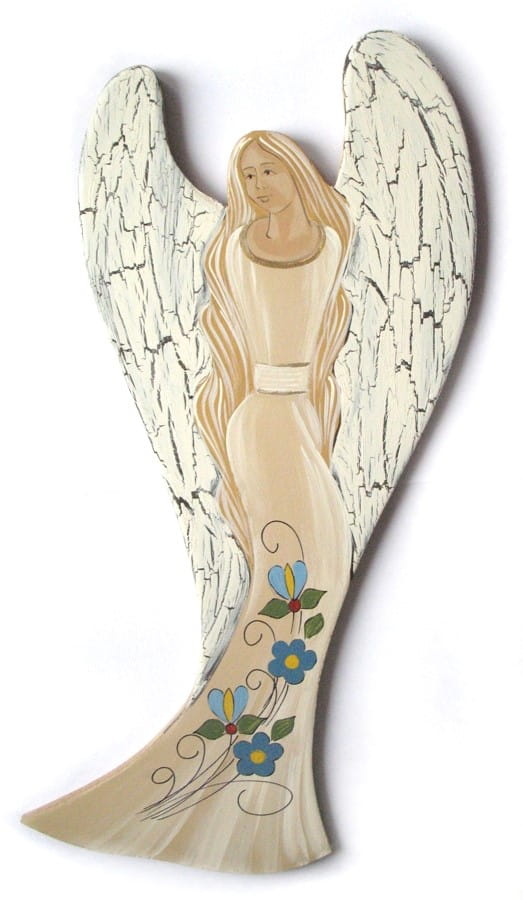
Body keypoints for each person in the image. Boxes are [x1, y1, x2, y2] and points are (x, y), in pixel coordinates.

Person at [22, 131, 355, 873]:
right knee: (291, 587)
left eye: (269, 169)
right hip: (261, 422)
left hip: (304, 422)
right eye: (248, 173)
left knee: (309, 585)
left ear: (296, 173)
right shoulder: (233, 247)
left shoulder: (334, 242)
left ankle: (259, 787)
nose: (259, 183)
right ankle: (236, 788)